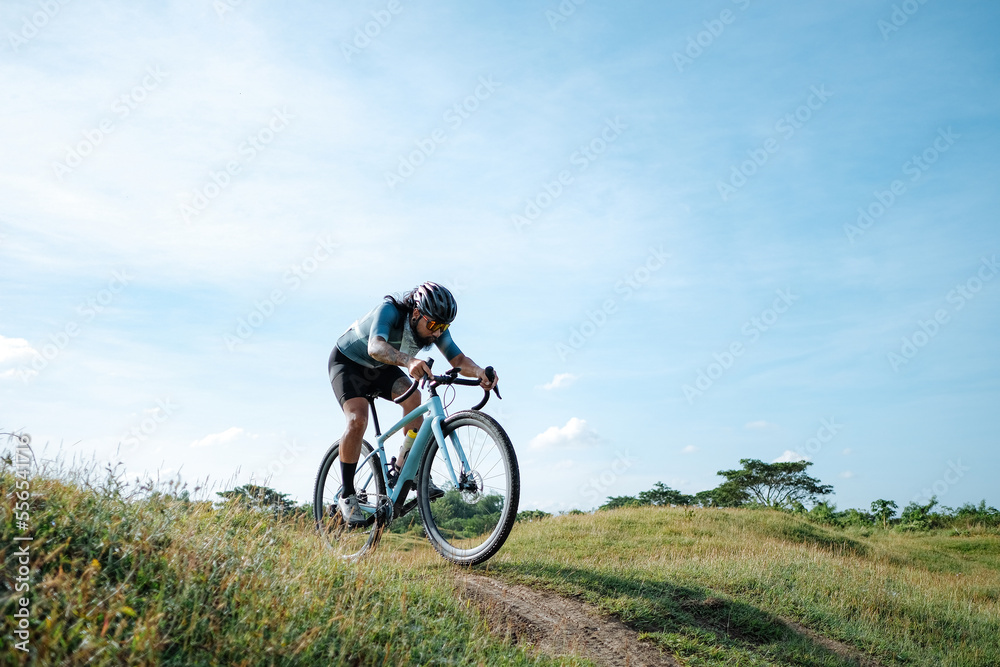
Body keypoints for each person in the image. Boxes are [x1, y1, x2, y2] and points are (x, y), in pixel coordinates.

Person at [328, 282, 498, 525]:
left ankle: (404, 468)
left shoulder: (434, 327)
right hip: (349, 363)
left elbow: (458, 359)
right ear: (416, 313)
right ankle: (346, 494)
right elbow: (375, 347)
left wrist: (480, 372)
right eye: (433, 325)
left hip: (381, 367)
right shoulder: (390, 311)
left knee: (414, 399)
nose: (437, 333)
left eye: (443, 327)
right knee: (357, 419)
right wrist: (408, 361)